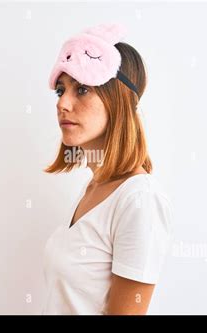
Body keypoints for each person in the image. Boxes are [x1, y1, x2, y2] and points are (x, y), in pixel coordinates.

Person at [42, 23, 173, 315]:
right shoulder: (92, 188)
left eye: (83, 89)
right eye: (61, 90)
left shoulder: (139, 199)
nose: (63, 103)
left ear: (118, 101)